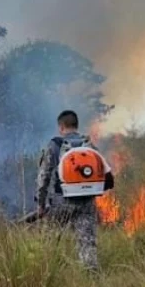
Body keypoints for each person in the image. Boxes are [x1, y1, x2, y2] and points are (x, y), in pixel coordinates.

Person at [35, 110, 112, 272]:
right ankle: (91, 276)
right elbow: (104, 173)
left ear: (61, 127)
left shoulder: (55, 145)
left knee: (50, 239)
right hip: (86, 202)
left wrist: (41, 204)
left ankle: (46, 272)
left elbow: (43, 177)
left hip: (60, 202)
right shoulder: (89, 145)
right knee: (87, 243)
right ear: (76, 126)